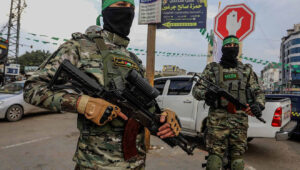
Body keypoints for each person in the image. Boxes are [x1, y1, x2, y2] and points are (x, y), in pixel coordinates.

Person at [23, 0, 180, 169]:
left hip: (136, 164)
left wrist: (164, 115)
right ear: (105, 10)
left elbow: (144, 104)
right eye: (120, 5)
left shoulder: (133, 59)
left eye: (131, 7)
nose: (127, 12)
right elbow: (32, 88)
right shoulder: (79, 47)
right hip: (95, 165)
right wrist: (82, 103)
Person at [192, 35, 265, 170]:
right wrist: (206, 95)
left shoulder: (246, 70)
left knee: (237, 163)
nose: (231, 48)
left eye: (234, 46)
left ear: (238, 49)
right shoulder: (212, 69)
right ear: (223, 48)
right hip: (217, 122)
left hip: (239, 122)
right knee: (214, 162)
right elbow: (196, 91)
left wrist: (258, 105)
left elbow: (258, 92)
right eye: (228, 46)